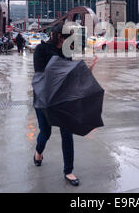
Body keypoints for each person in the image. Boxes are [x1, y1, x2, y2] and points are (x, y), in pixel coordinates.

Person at [33, 22, 98, 187]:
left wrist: (85, 72)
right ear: (55, 35)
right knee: (45, 133)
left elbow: (70, 75)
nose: (64, 43)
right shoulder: (41, 50)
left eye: (66, 40)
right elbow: (41, 74)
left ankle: (68, 171)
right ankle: (38, 152)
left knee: (67, 134)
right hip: (44, 99)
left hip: (62, 98)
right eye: (62, 39)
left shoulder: (66, 52)